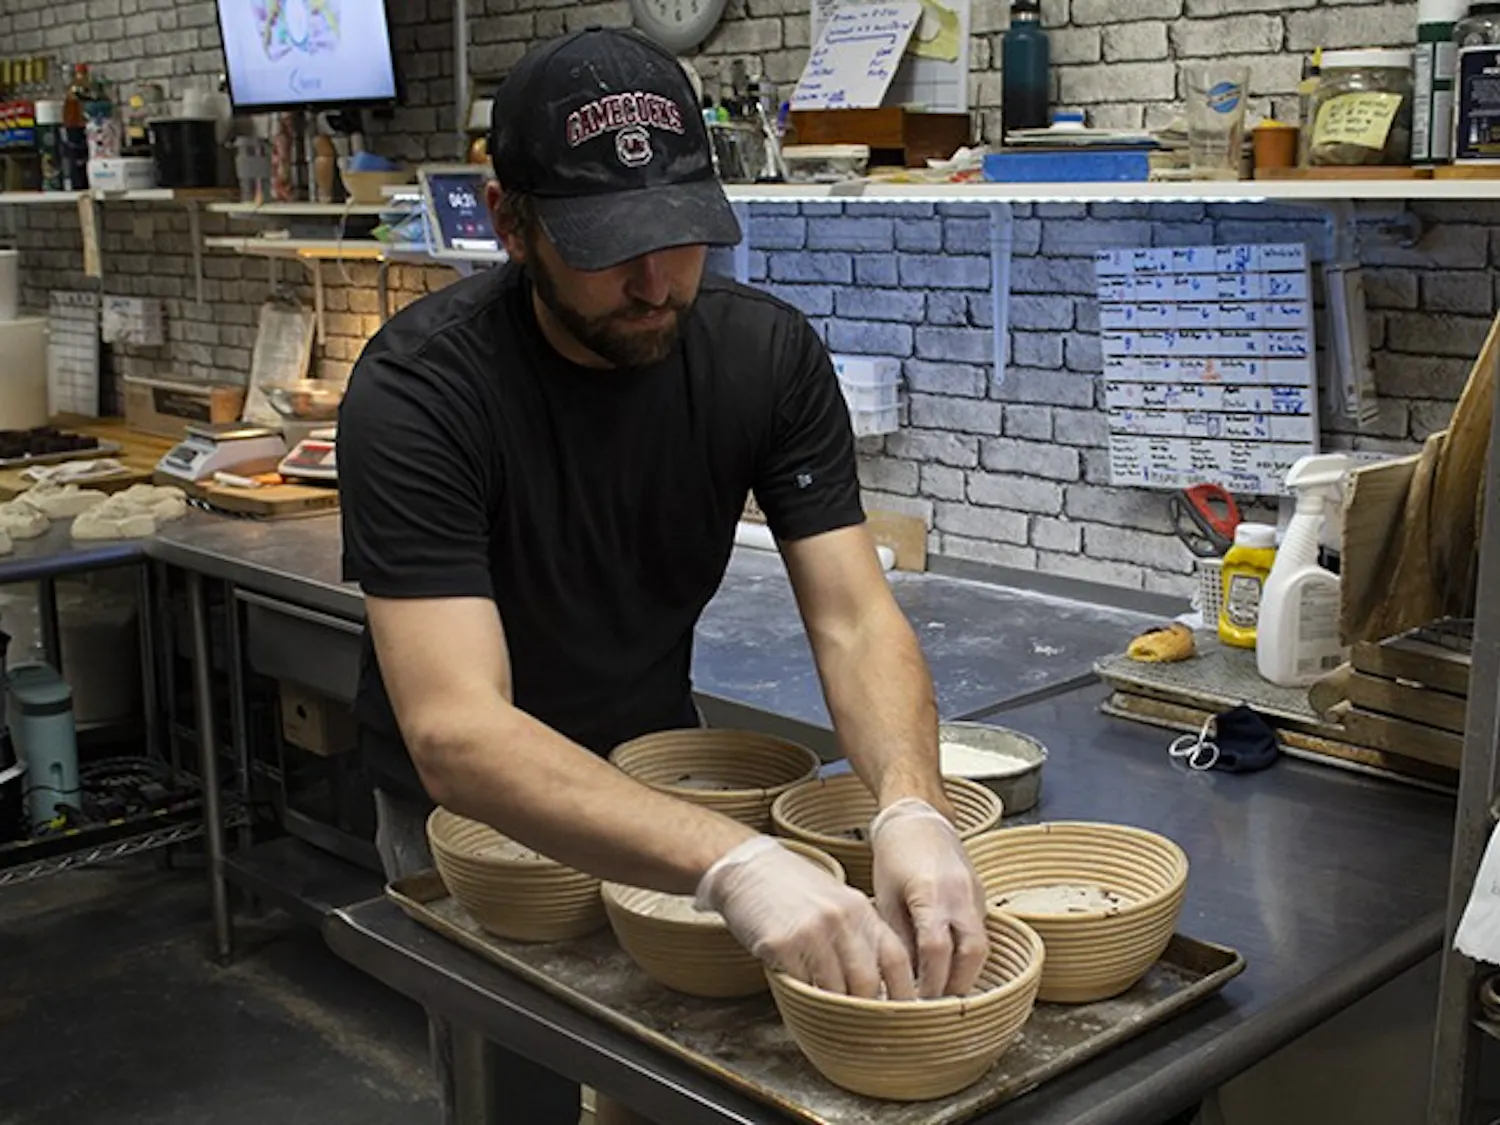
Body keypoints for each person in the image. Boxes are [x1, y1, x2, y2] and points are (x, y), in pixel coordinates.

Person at [337, 25, 987, 1125]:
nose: (654, 282)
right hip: (481, 814)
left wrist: (910, 808)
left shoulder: (764, 356)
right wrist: (737, 864)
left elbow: (852, 619)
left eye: (680, 234)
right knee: (517, 1092)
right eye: (608, 244)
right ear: (512, 225)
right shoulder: (421, 391)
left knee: (677, 1089)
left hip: (660, 768)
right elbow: (458, 732)